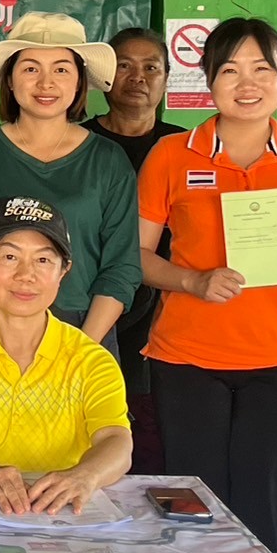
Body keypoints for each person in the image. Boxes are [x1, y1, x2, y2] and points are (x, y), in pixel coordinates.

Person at [137, 18, 277, 553]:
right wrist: (192, 280)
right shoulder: (172, 155)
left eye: (262, 69)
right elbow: (131, 257)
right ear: (209, 80)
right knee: (193, 505)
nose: (246, 83)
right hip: (188, 358)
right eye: (230, 69)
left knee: (264, 504)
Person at [0, 12, 139, 356]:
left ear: (79, 82)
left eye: (61, 69)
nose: (46, 83)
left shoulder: (108, 160)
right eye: (31, 68)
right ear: (11, 81)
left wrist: (78, 350)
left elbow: (121, 266)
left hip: (84, 332)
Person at [0, 196, 131, 515]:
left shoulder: (92, 360)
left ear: (64, 271)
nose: (26, 275)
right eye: (9, 257)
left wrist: (85, 477)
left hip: (63, 517)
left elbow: (117, 439)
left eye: (44, 260)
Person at [83, 27, 183, 474]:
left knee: (149, 434)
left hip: (165, 307)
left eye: (151, 67)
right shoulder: (75, 144)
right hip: (86, 302)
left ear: (166, 78)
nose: (137, 77)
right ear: (104, 76)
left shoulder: (186, 150)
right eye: (124, 65)